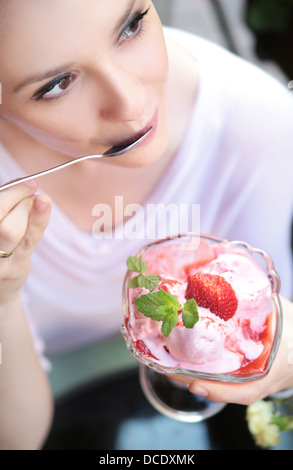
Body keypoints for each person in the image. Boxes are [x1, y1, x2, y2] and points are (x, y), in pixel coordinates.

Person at [0, 0, 292, 450]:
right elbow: (19, 440)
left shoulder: (255, 127)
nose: (132, 104)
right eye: (58, 84)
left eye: (132, 26)